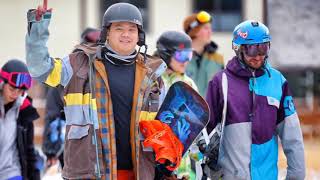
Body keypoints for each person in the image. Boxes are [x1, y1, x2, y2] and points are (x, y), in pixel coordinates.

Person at [26, 2, 166, 180]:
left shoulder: (153, 74)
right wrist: (38, 29)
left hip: (139, 173)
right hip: (90, 173)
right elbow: (40, 69)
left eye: (132, 29)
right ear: (107, 32)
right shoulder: (78, 64)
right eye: (119, 28)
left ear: (139, 35)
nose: (126, 34)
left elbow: (164, 125)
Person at [205, 20, 305, 179]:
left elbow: (292, 137)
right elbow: (204, 132)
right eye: (251, 49)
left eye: (263, 48)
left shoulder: (278, 82)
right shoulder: (220, 82)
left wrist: (296, 176)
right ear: (238, 49)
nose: (258, 56)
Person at [42, 27, 100, 169]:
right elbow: (53, 116)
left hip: (101, 146)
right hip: (72, 144)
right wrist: (51, 150)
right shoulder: (67, 71)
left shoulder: (104, 72)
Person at [155, 31, 198, 179]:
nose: (186, 61)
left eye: (189, 55)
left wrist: (199, 155)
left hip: (182, 170)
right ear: (166, 54)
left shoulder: (188, 84)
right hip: (157, 163)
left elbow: (195, 126)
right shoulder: (153, 81)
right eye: (181, 56)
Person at [0, 59, 40, 180]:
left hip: (11, 172)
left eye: (20, 91)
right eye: (12, 89)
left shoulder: (24, 111)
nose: (15, 94)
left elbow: (29, 149)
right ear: (2, 83)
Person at [183, 11, 224, 97]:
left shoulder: (218, 59)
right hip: (185, 109)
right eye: (206, 28)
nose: (210, 32)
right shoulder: (179, 58)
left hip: (210, 109)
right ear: (194, 31)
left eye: (210, 28)